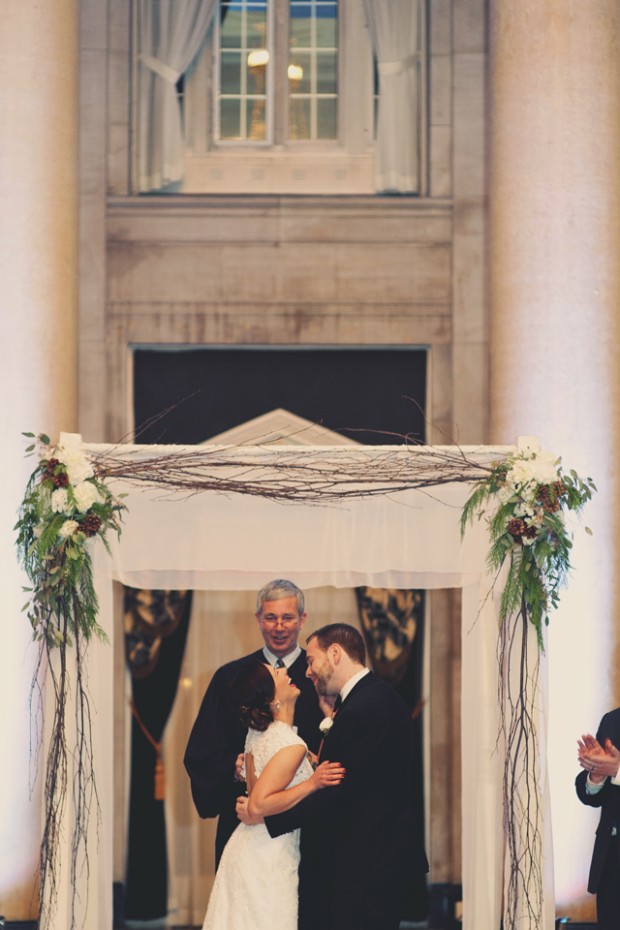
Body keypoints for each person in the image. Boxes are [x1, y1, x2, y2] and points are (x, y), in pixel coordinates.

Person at [238, 622, 428, 930]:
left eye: (311, 660)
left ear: (335, 654)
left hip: (368, 864)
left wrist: (265, 816)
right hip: (368, 859)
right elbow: (354, 776)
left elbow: (338, 795)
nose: (308, 671)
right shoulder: (366, 700)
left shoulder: (366, 708)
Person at [184, 579, 324, 864]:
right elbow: (201, 753)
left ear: (303, 619)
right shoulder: (230, 678)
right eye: (271, 618)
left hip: (310, 824)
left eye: (288, 617)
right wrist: (233, 768)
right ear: (258, 619)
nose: (279, 627)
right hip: (245, 825)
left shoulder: (322, 678)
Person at [202, 659, 344, 930]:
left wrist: (327, 721)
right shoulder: (287, 743)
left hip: (251, 846)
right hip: (268, 854)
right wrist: (312, 784)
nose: (284, 671)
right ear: (270, 696)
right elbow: (257, 806)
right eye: (276, 673)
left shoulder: (259, 735)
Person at [576, 711, 620, 930]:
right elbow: (593, 796)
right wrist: (597, 774)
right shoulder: (612, 720)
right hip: (612, 860)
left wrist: (618, 770)